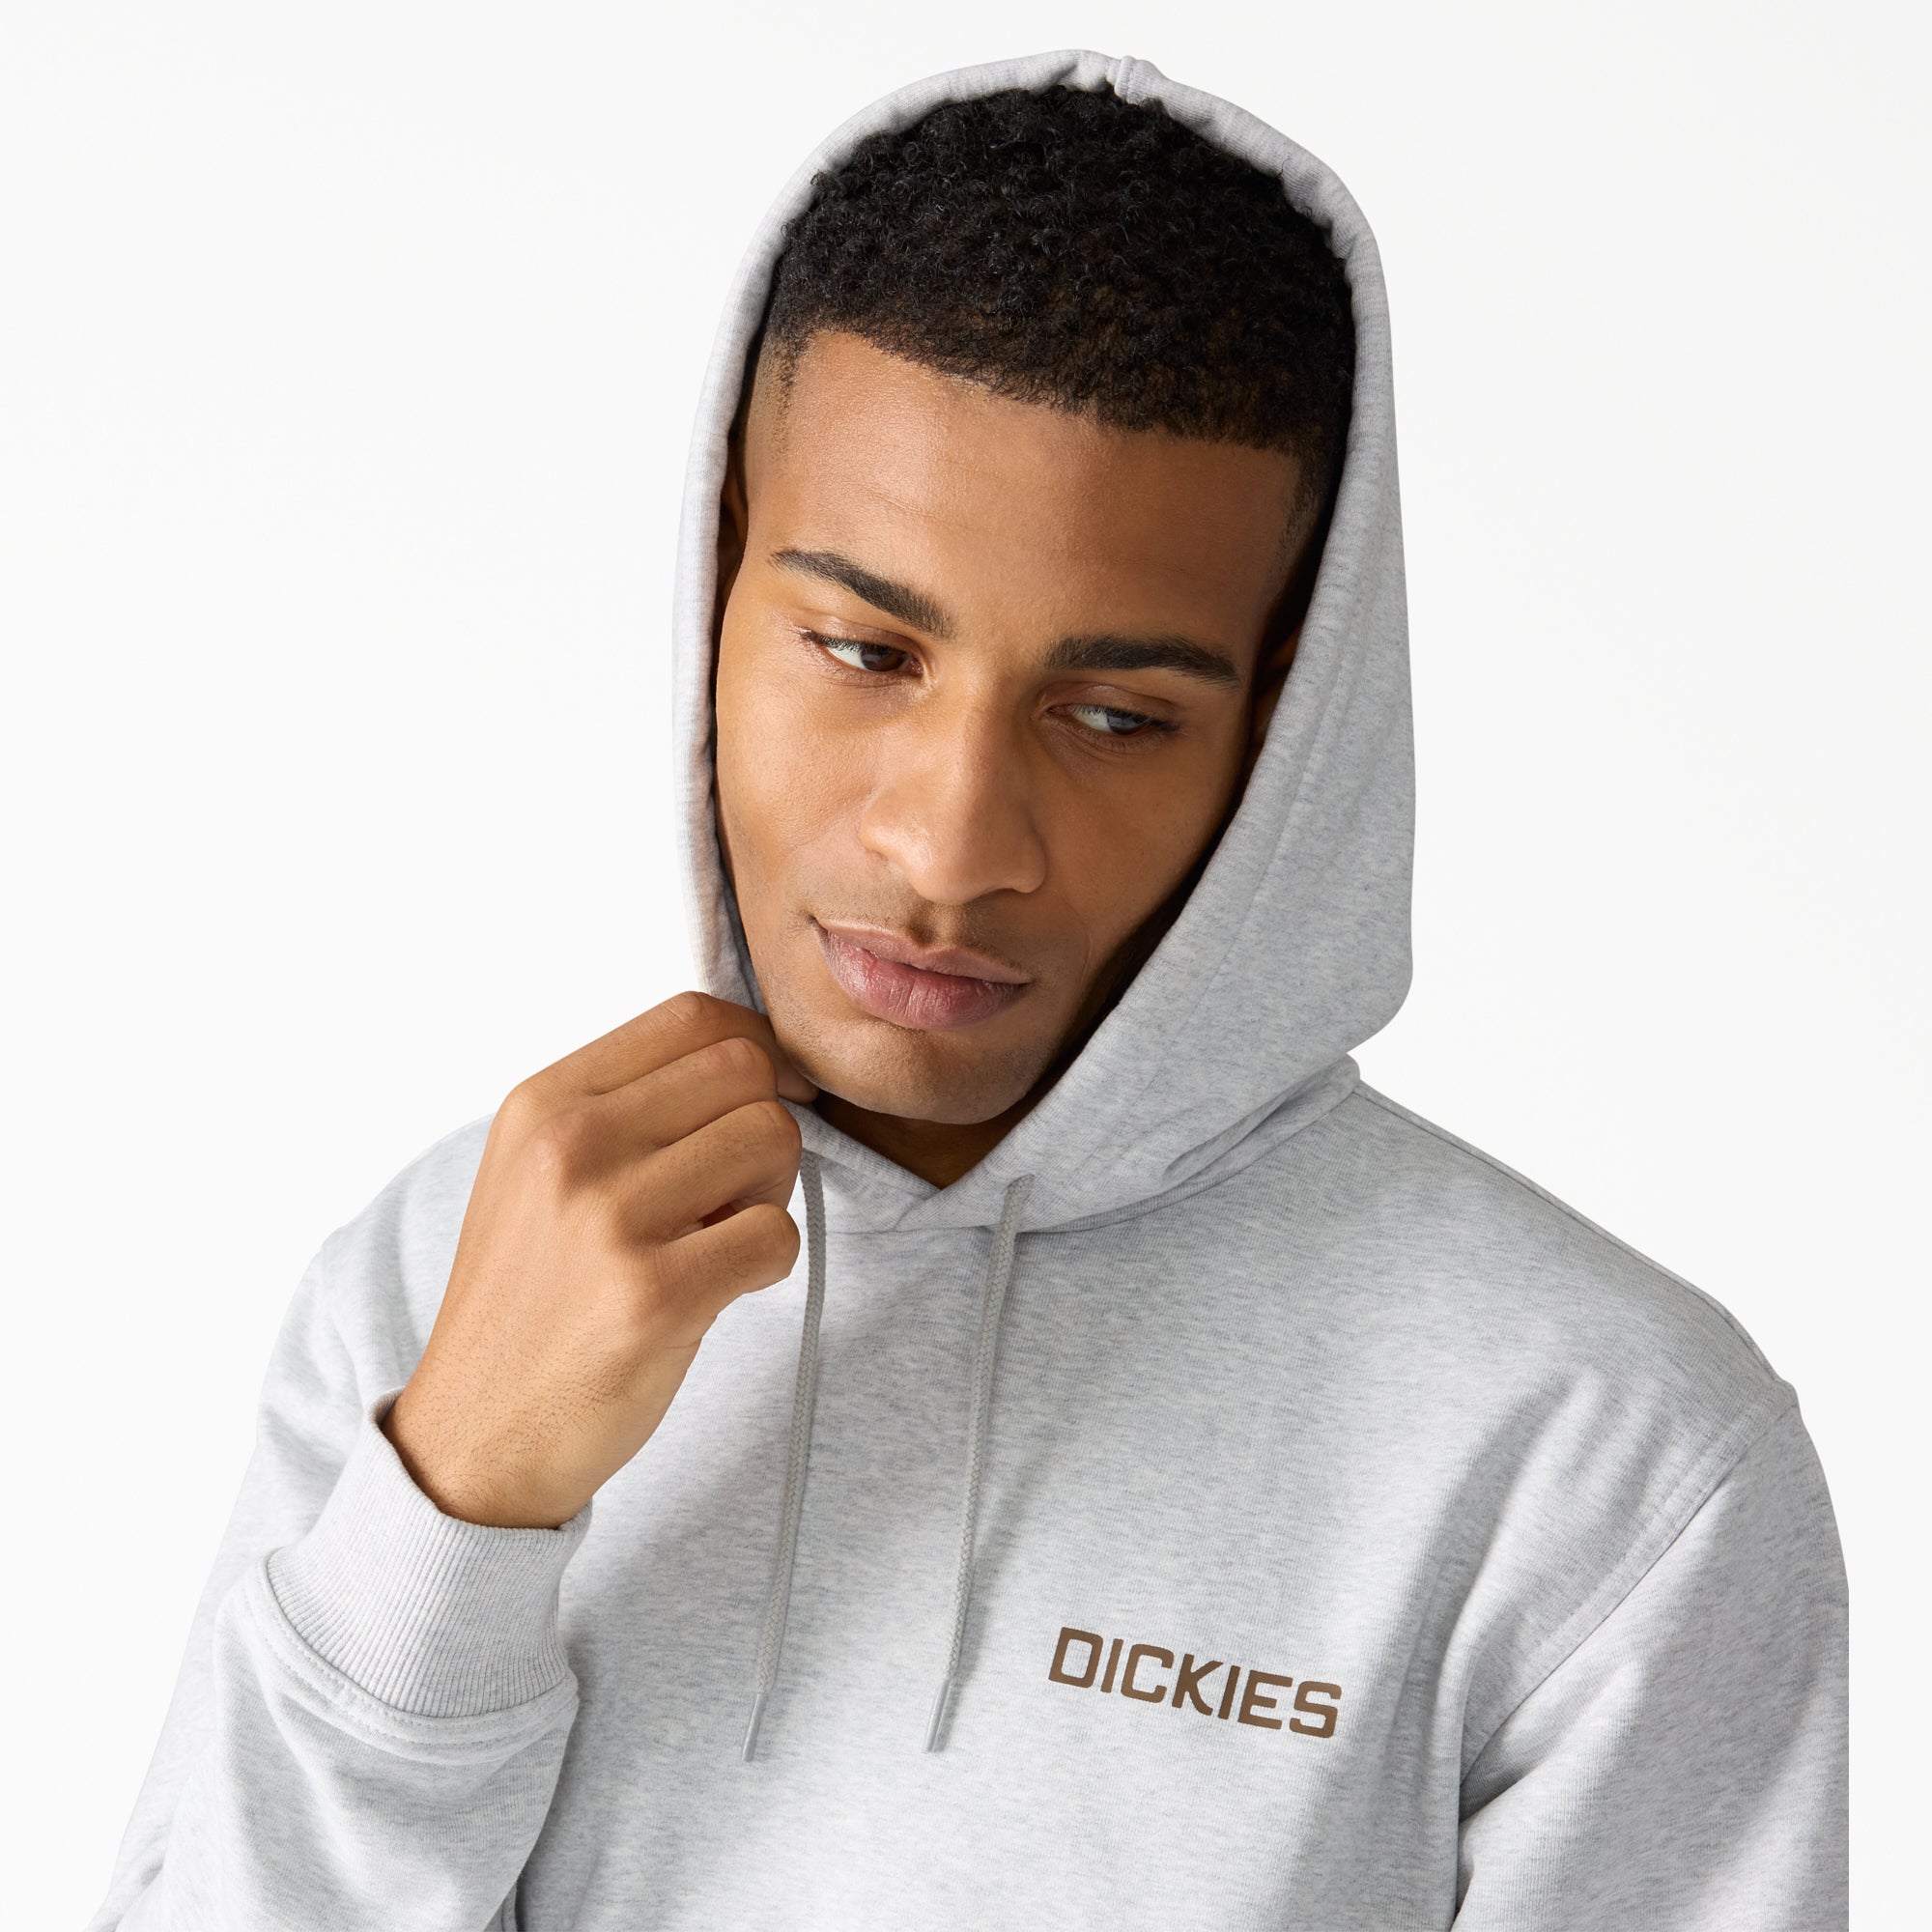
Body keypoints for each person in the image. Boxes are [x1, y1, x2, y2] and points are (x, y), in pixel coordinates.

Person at [90, 50, 1847, 1932]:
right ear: (715, 579)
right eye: (864, 650)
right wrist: (454, 1505)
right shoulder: (449, 1272)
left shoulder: (1604, 1461)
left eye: (1114, 716)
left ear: (1286, 716)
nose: (948, 847)